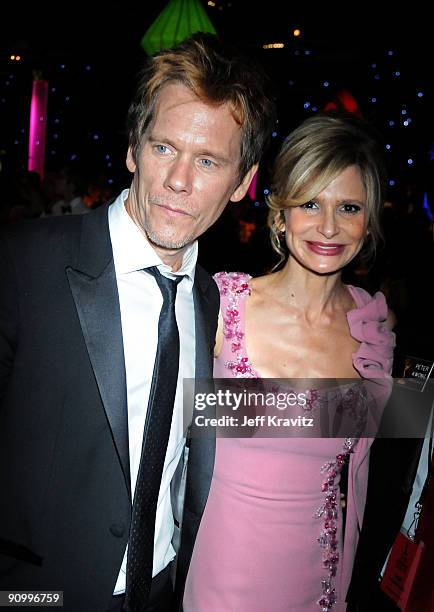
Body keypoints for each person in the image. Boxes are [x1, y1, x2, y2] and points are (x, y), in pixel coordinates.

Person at [0, 33, 276, 612]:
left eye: (208, 160)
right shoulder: (24, 263)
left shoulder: (222, 309)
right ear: (132, 149)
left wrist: (394, 390)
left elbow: (280, 423)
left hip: (165, 590)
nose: (179, 179)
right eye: (163, 148)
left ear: (243, 182)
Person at [177, 111, 396, 611]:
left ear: (369, 220)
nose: (328, 227)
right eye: (310, 203)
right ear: (280, 213)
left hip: (317, 581)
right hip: (221, 577)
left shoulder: (372, 326)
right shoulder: (219, 305)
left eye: (349, 207)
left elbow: (378, 467)